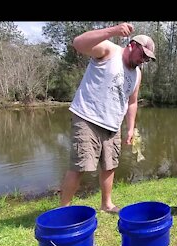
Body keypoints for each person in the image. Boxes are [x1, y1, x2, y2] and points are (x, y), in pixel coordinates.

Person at [59, 22, 156, 213]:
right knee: (79, 166)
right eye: (142, 55)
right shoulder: (110, 49)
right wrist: (112, 31)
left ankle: (106, 204)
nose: (143, 60)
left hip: (113, 125)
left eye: (147, 58)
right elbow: (78, 43)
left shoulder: (137, 74)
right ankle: (62, 210)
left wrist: (130, 129)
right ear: (132, 45)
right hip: (88, 117)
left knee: (110, 166)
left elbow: (132, 102)